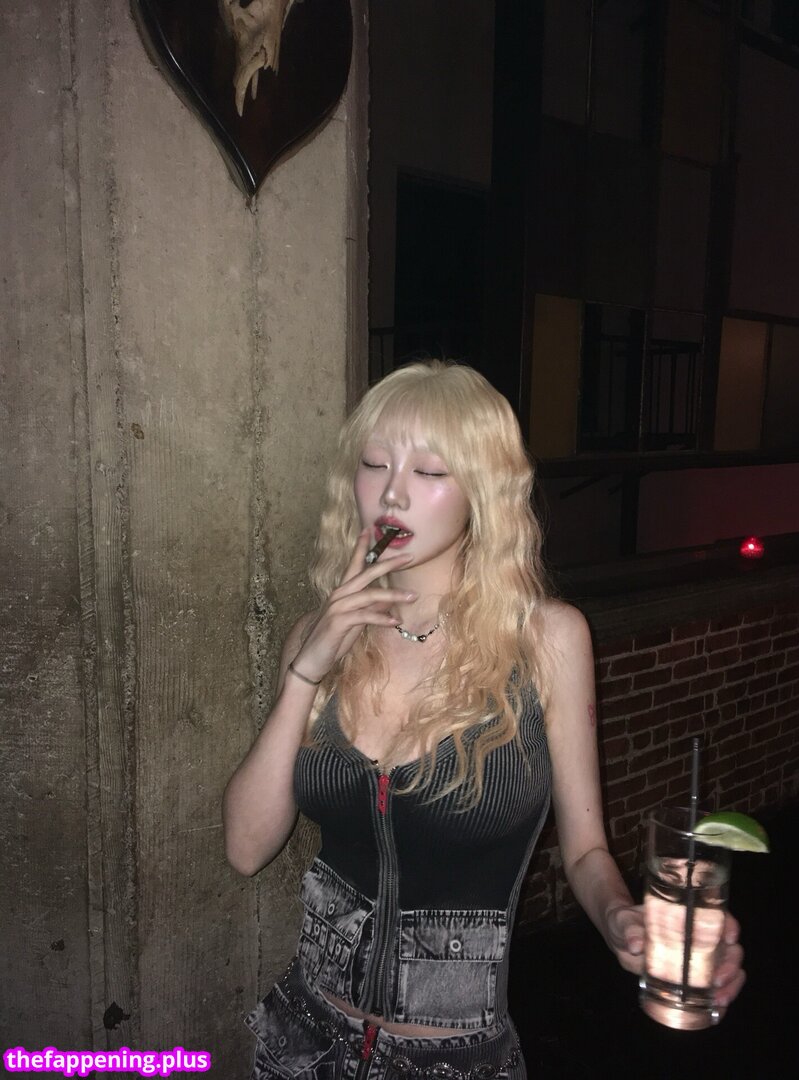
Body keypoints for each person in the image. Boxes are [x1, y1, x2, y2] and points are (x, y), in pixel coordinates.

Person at [223, 361, 745, 1079]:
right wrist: (305, 670)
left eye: (430, 471)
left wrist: (621, 917)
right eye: (375, 463)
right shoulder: (316, 640)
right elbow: (246, 849)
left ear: (483, 491)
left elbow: (586, 851)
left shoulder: (548, 641)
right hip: (301, 1043)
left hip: (454, 1060)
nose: (393, 492)